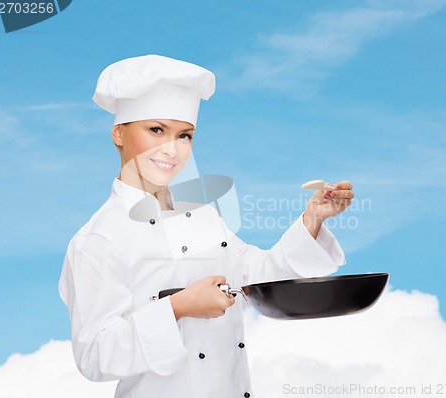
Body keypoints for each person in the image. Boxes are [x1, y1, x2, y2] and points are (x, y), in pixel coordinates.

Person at [58, 54, 354, 398]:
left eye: (185, 135)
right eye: (156, 130)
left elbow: (258, 278)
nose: (172, 149)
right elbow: (95, 355)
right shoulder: (100, 239)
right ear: (119, 133)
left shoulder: (200, 218)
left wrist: (313, 218)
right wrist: (178, 307)